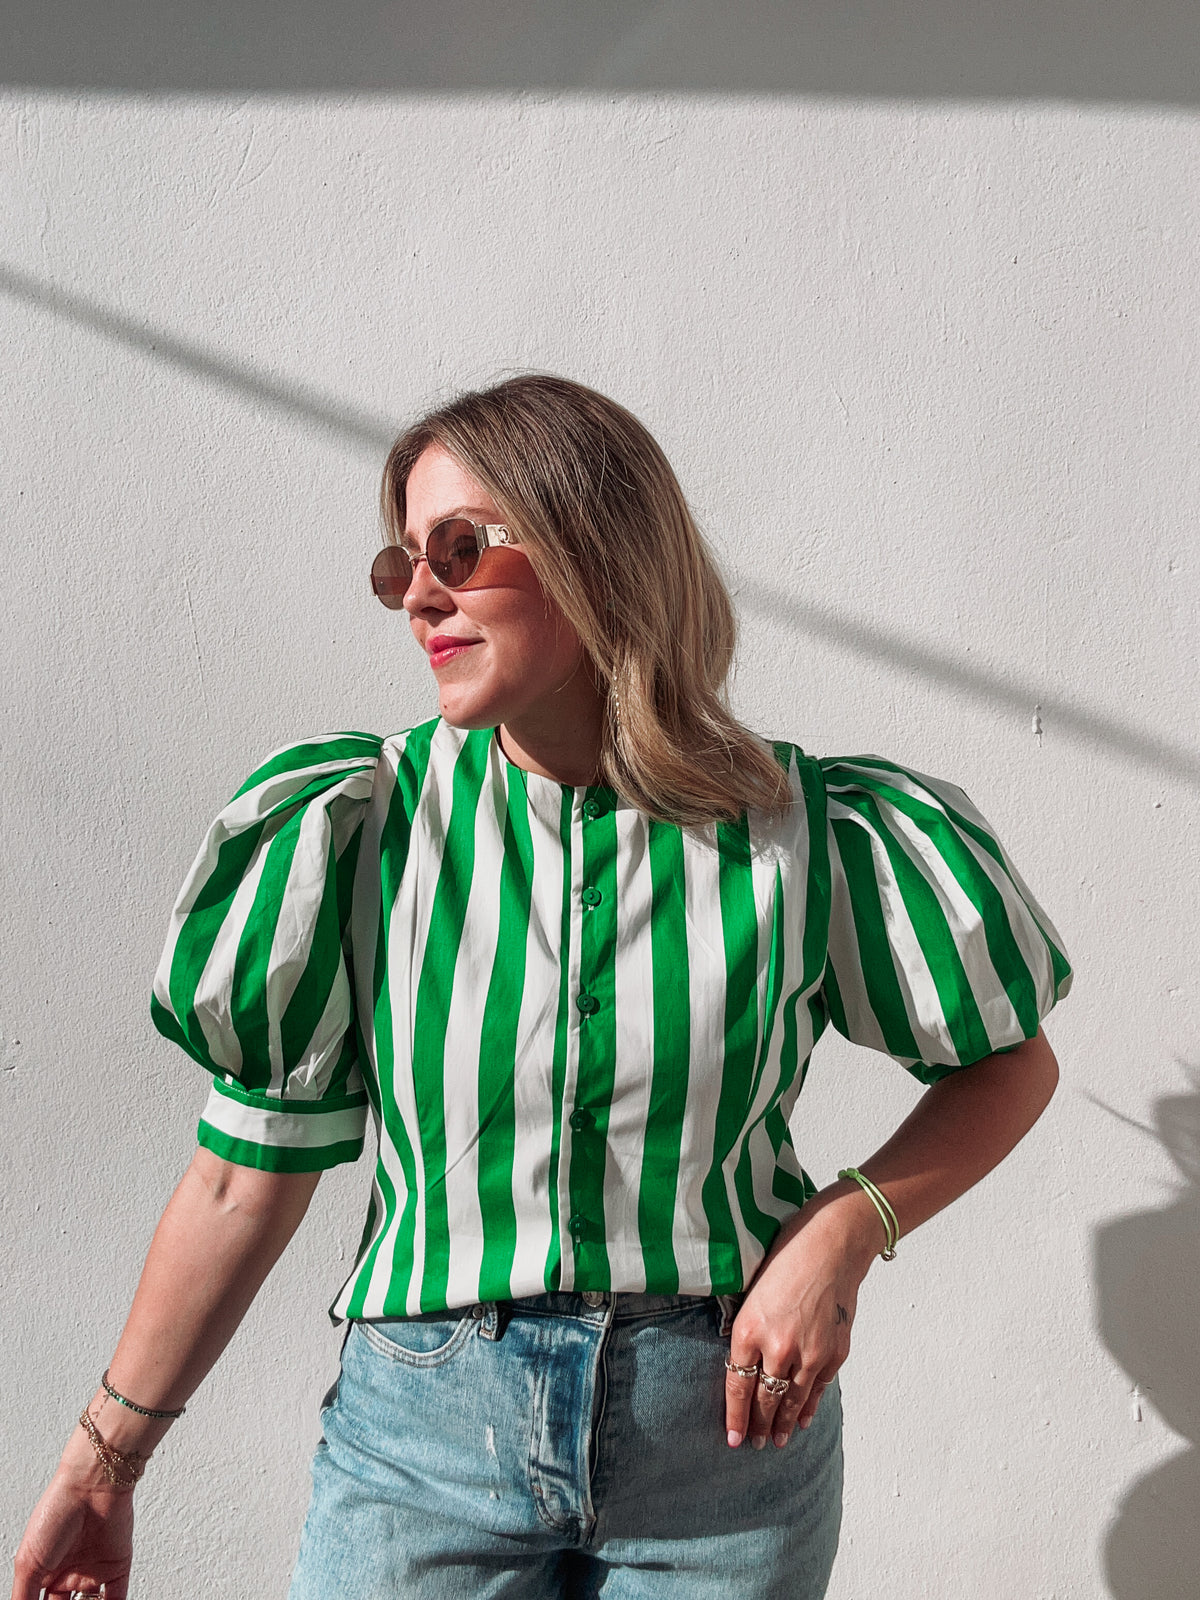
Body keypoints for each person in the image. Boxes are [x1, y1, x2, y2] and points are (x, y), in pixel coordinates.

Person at [11, 373, 1072, 1600]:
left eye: (459, 549)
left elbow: (1007, 1061)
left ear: (594, 550)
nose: (420, 594)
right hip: (422, 1454)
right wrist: (104, 1462)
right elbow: (242, 1174)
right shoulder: (363, 824)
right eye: (402, 563)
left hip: (726, 1454)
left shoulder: (806, 830)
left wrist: (845, 1225)